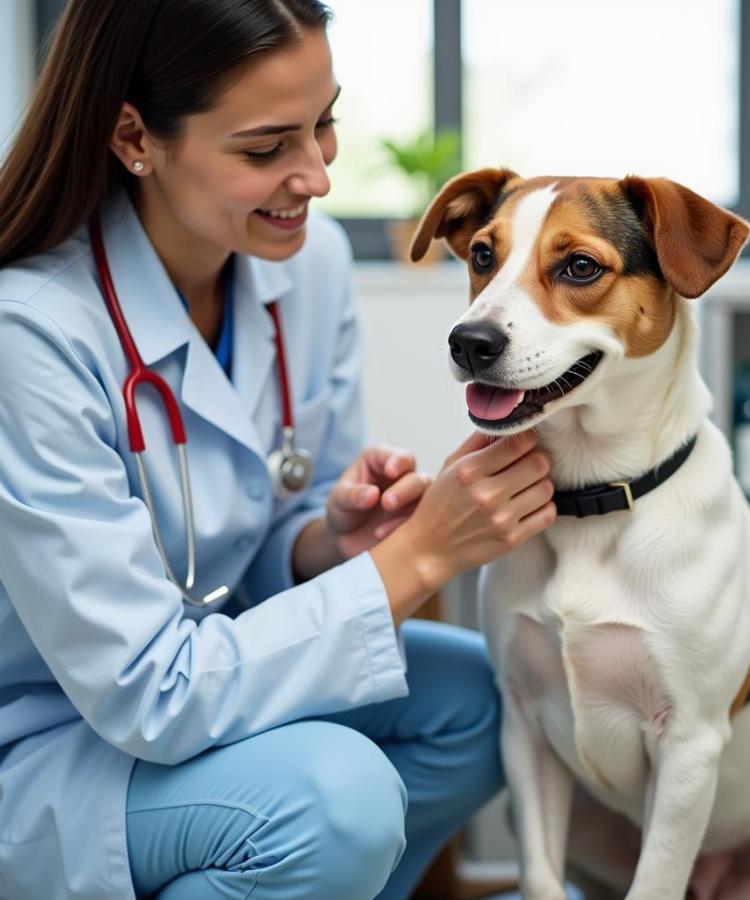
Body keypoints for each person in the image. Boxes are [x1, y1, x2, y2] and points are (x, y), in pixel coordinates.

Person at [0, 2, 558, 898]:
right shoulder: (31, 334)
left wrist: (328, 541)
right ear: (134, 136)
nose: (315, 177)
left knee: (487, 700)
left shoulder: (310, 263)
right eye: (265, 150)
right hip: (57, 744)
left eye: (325, 124)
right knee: (338, 803)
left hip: (208, 677)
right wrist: (419, 558)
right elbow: (152, 691)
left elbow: (259, 535)